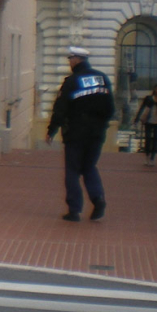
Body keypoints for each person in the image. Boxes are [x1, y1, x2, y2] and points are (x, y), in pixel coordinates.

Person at [45, 46, 115, 221]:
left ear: (76, 60)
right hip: (97, 133)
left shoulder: (72, 81)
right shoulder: (102, 78)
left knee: (73, 171)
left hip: (76, 133)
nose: (69, 62)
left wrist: (51, 130)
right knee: (90, 167)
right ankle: (98, 199)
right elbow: (110, 108)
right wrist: (100, 124)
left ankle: (74, 210)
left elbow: (60, 109)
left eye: (70, 59)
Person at [134, 84, 157, 166]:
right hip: (148, 122)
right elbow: (142, 108)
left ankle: (152, 158)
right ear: (154, 89)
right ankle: (147, 157)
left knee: (155, 140)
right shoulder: (148, 98)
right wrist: (137, 118)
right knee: (148, 139)